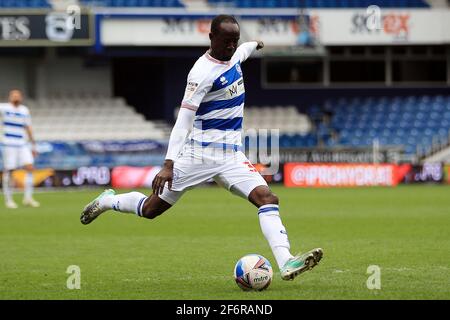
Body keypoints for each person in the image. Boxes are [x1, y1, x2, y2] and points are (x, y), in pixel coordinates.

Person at [81, 15, 322, 281]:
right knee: (151, 210)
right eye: (226, 41)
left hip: (230, 156)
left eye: (234, 41)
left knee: (267, 199)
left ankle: (286, 261)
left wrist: (256, 43)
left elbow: (244, 50)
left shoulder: (235, 55)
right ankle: (108, 201)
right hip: (198, 155)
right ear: (211, 38)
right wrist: (169, 164)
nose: (231, 46)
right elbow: (183, 121)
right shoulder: (200, 74)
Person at [0, 89, 40, 209]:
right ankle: (9, 200)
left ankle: (28, 198)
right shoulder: (4, 108)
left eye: (18, 95)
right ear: (9, 97)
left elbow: (28, 127)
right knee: (10, 171)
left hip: (22, 144)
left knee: (30, 167)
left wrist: (33, 145)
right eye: (13, 95)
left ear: (21, 97)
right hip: (8, 144)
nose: (16, 97)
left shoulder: (24, 110)